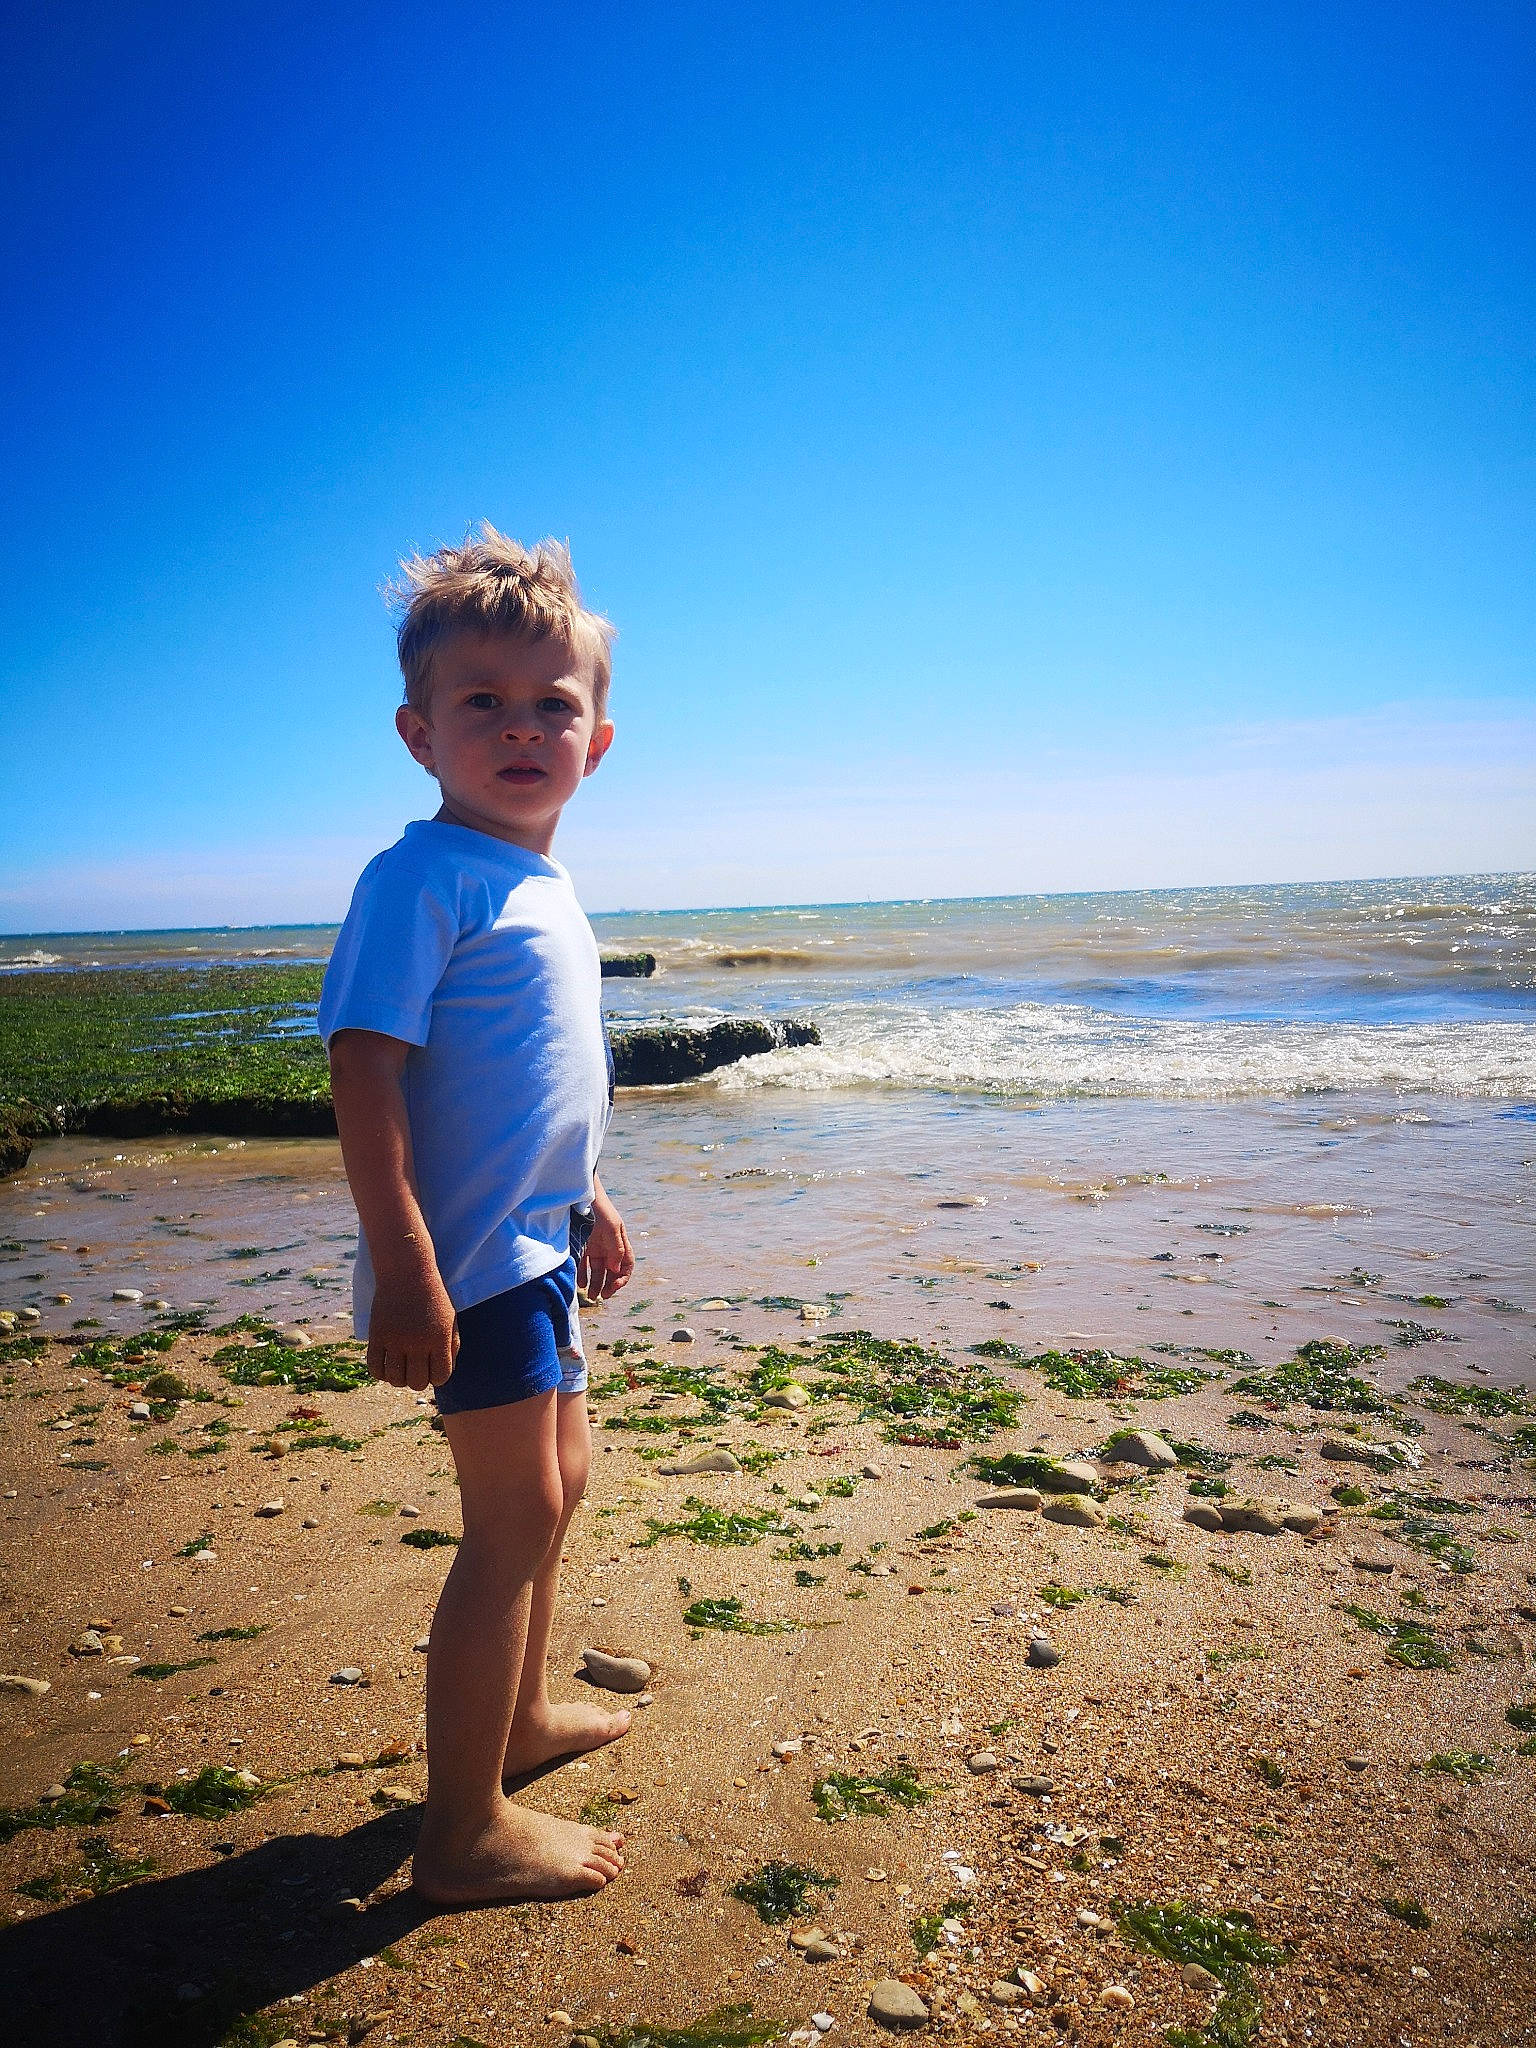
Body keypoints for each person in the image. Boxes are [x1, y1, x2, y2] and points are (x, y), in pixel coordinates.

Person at [318, 527, 634, 1904]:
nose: (520, 728)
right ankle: (461, 1834)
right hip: (467, 1264)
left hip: (537, 1243)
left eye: (551, 705)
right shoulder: (420, 877)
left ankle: (521, 1718)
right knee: (508, 1522)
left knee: (561, 1488)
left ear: (596, 742)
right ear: (419, 734)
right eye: (482, 703)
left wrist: (590, 1197)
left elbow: (533, 1080)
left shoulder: (542, 885)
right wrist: (405, 1267)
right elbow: (365, 1066)